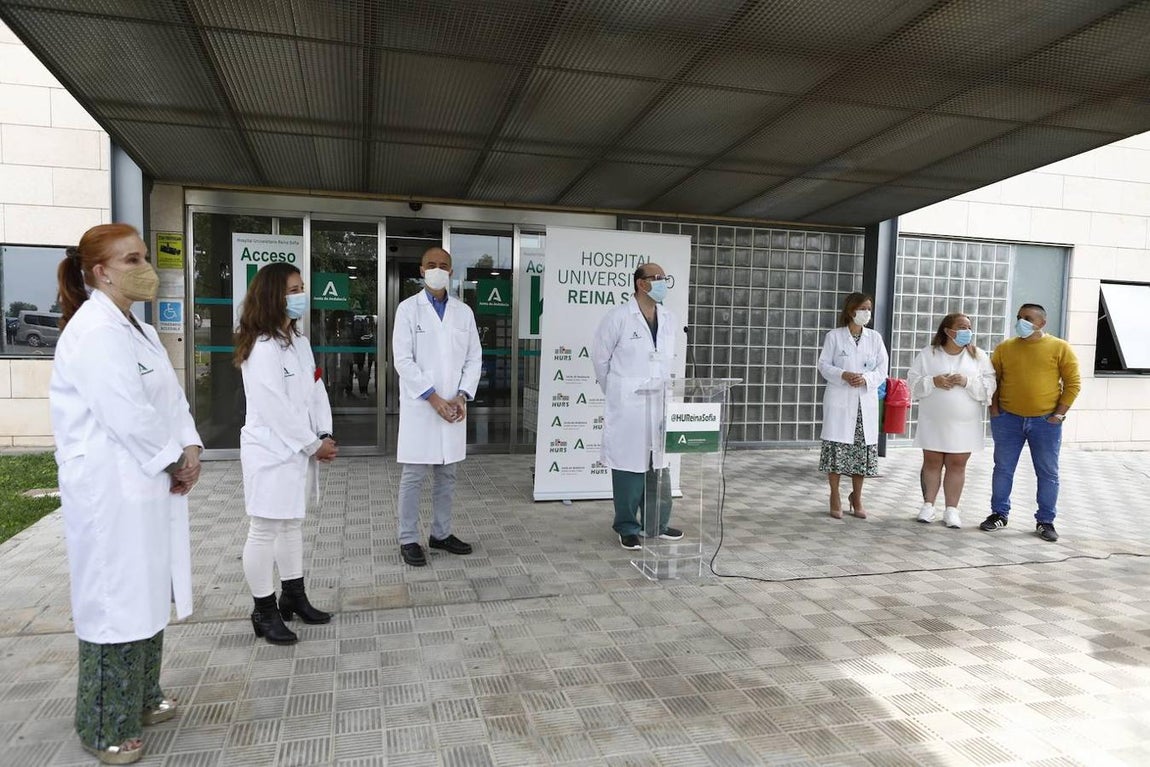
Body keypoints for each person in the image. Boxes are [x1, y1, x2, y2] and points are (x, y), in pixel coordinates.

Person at [49, 223, 202, 765]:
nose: (145, 267)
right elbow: (125, 412)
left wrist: (190, 448)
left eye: (143, 256)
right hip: (111, 491)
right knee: (115, 601)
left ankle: (140, 697)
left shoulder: (134, 327)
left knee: (146, 591)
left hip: (148, 481)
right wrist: (171, 458)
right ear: (100, 271)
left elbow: (169, 397)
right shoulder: (93, 331)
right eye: (133, 258)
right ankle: (102, 725)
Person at [234, 263, 338, 645]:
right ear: (272, 295)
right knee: (264, 530)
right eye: (293, 289)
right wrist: (312, 445)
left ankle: (293, 594)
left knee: (292, 524)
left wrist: (323, 431)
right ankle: (263, 610)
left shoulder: (298, 341)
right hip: (271, 452)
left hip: (298, 450)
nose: (300, 296)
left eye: (301, 288)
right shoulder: (261, 347)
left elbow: (315, 390)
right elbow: (274, 406)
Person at [392, 247, 481, 567]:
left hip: (454, 407)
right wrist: (433, 398)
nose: (437, 270)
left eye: (443, 266)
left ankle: (441, 534)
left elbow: (474, 358)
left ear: (451, 272)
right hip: (422, 406)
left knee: (448, 474)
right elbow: (403, 360)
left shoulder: (463, 313)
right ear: (421, 269)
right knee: (414, 475)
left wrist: (461, 396)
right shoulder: (407, 310)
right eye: (431, 265)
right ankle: (408, 538)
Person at [592, 262, 682, 550]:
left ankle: (657, 525)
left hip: (659, 404)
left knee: (660, 467)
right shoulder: (618, 317)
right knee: (629, 469)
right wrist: (619, 392)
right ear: (641, 283)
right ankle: (627, 526)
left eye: (665, 278)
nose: (663, 282)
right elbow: (600, 360)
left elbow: (667, 361)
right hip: (629, 406)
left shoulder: (668, 318)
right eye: (657, 278)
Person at [980, 303, 1081, 541]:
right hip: (1008, 420)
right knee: (1003, 468)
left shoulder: (1059, 347)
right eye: (1019, 317)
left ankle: (1045, 521)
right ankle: (999, 514)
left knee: (1047, 472)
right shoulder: (1005, 348)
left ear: (1041, 323)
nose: (1020, 322)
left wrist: (1059, 414)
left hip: (1046, 422)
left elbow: (1073, 383)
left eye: (1027, 318)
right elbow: (994, 380)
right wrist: (994, 410)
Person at [907, 313, 996, 529]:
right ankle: (928, 505)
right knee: (932, 462)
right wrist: (933, 381)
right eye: (961, 327)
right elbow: (913, 381)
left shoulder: (979, 356)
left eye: (969, 327)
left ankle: (951, 510)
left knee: (957, 464)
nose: (967, 331)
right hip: (933, 420)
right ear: (947, 331)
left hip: (965, 423)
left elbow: (989, 385)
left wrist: (967, 381)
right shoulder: (929, 354)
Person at [817, 292, 889, 519]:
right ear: (851, 311)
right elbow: (823, 365)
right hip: (840, 400)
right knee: (837, 450)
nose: (866, 313)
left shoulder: (875, 338)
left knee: (861, 452)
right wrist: (843, 374)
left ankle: (856, 496)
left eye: (869, 309)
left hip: (863, 402)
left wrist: (866, 378)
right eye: (863, 308)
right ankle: (835, 495)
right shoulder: (834, 337)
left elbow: (881, 369)